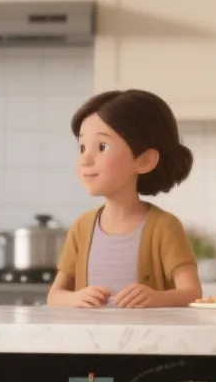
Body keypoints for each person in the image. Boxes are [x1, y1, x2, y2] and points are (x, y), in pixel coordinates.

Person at [47, 89, 202, 309]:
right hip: (88, 343)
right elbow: (55, 295)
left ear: (145, 160)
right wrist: (75, 298)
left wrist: (157, 298)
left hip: (148, 342)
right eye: (82, 147)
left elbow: (193, 293)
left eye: (102, 147)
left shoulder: (165, 227)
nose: (86, 160)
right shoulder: (81, 228)